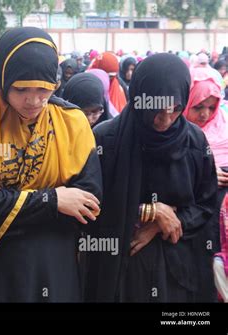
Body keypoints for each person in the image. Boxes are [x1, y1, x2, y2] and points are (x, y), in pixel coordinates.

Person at [0, 27, 102, 302]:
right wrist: (52, 199)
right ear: (2, 82)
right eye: (21, 89)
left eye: (43, 89)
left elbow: (88, 203)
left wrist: (2, 200)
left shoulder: (71, 122)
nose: (33, 100)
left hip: (53, 267)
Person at [85, 53, 218, 302]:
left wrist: (164, 223)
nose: (165, 121)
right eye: (157, 111)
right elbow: (90, 203)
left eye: (176, 110)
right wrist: (148, 212)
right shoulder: (107, 139)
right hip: (122, 268)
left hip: (176, 270)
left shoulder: (194, 141)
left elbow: (205, 204)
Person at [183, 67, 228, 301]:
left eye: (211, 107)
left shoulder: (224, 127)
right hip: (192, 220)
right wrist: (206, 174)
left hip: (220, 222)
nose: (205, 114)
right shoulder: (177, 133)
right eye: (198, 106)